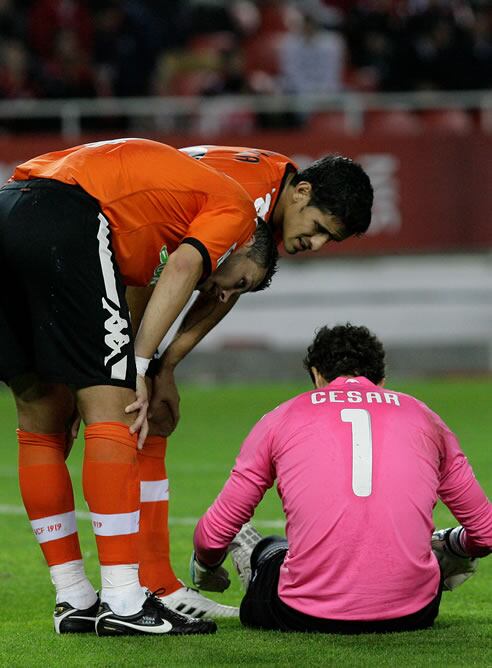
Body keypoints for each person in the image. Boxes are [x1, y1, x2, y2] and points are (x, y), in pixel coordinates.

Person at [0, 137, 278, 636]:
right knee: (117, 411)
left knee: (39, 416)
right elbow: (186, 265)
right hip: (68, 215)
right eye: (241, 280)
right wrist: (140, 367)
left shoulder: (158, 214)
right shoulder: (238, 212)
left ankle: (73, 597)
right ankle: (126, 603)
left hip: (9, 206)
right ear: (242, 248)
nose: (224, 292)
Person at [134, 144, 374, 618]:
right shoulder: (247, 198)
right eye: (319, 229)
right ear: (302, 193)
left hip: (118, 250)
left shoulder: (266, 197)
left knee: (150, 417)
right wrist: (139, 363)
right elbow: (155, 260)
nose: (316, 245)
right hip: (104, 245)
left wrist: (165, 366)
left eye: (331, 240)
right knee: (115, 413)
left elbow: (228, 284)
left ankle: (149, 583)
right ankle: (130, 592)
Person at [188, 323, 491, 632]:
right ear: (381, 380)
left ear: (317, 375)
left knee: (273, 549)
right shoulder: (426, 417)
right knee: (429, 547)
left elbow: (211, 537)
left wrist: (207, 566)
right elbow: (486, 532)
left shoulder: (280, 417)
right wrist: (458, 546)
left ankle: (257, 563)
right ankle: (443, 545)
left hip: (299, 613)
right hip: (413, 615)